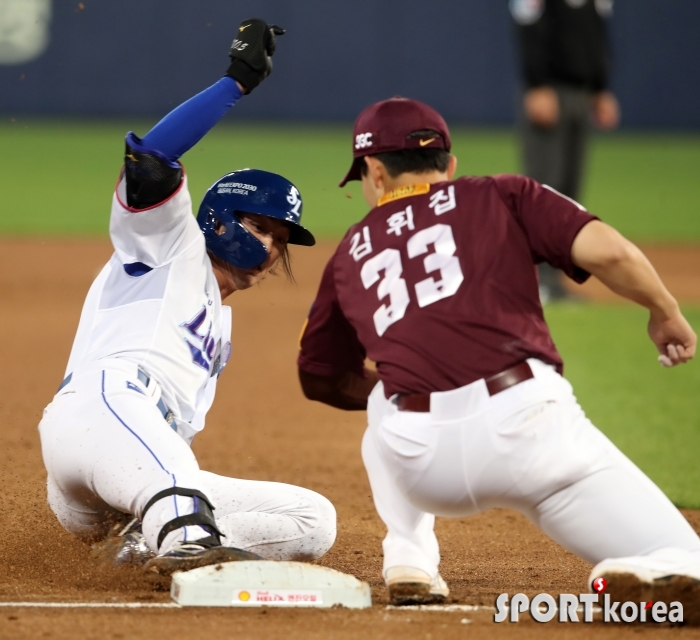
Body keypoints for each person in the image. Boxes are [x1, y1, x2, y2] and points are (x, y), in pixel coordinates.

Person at [296, 96, 700, 615]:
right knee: (683, 556)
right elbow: (610, 252)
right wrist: (663, 311)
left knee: (384, 400)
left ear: (373, 172)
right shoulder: (502, 193)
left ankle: (409, 556)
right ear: (450, 164)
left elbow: (320, 376)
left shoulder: (349, 250)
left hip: (422, 465)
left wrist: (415, 386)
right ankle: (640, 568)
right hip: (532, 439)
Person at [38, 18, 336, 578]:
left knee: (312, 519)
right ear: (221, 218)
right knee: (175, 480)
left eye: (282, 239)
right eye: (262, 227)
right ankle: (184, 545)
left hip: (133, 472)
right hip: (100, 416)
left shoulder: (218, 331)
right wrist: (234, 84)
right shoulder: (171, 245)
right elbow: (151, 157)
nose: (272, 247)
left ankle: (145, 544)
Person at [510, 0, 620, 302]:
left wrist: (600, 88)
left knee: (569, 194)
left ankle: (554, 282)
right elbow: (528, 29)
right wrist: (536, 85)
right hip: (549, 91)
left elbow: (595, 34)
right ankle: (535, 281)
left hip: (581, 93)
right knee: (543, 191)